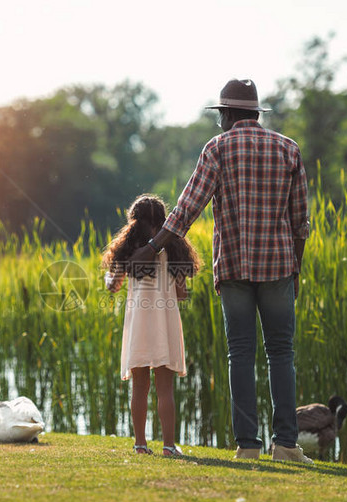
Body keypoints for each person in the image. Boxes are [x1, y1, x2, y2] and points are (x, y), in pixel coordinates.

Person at [128, 79, 313, 463]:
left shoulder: (218, 148)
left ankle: (248, 446)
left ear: (227, 114)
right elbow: (300, 223)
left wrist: (150, 247)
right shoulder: (288, 149)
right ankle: (286, 445)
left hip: (233, 267)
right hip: (279, 265)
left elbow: (186, 208)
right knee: (281, 354)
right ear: (255, 113)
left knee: (240, 354)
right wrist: (295, 269)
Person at [102, 194, 202, 457]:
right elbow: (181, 295)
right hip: (165, 324)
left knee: (140, 388)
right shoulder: (175, 248)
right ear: (163, 220)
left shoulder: (128, 250)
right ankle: (169, 446)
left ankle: (140, 445)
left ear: (134, 221)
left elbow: (113, 287)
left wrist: (107, 276)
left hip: (138, 325)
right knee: (165, 389)